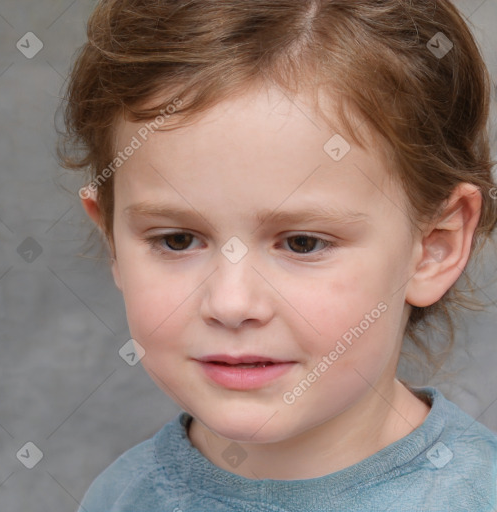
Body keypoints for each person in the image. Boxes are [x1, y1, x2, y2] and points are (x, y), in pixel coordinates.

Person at [58, 1, 497, 510]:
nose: (230, 302)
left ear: (433, 247)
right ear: (111, 238)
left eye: (302, 243)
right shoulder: (118, 497)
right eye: (176, 240)